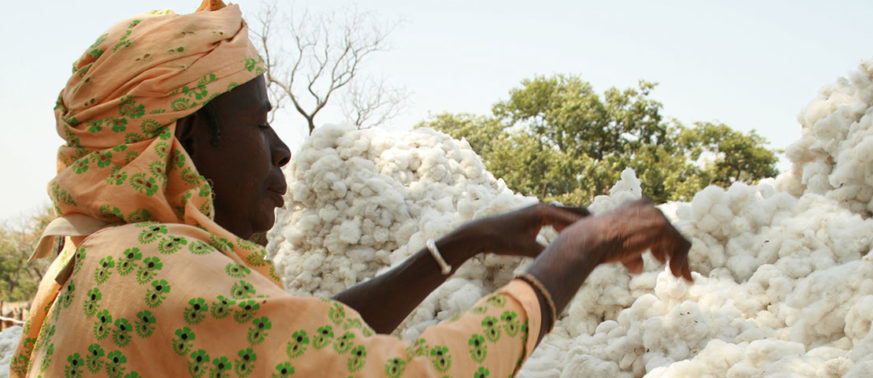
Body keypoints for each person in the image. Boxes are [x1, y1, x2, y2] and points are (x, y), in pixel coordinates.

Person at [10, 1, 692, 377]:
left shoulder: (107, 258)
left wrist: (463, 244)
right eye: (258, 123)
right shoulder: (157, 270)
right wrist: (577, 251)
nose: (280, 150)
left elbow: (288, 343)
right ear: (188, 137)